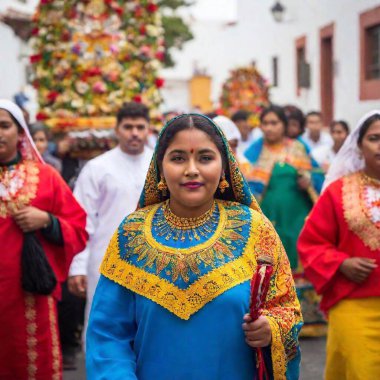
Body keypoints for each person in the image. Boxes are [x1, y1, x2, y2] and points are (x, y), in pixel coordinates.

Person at [86, 113, 302, 380]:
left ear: (224, 167)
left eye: (205, 158)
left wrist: (271, 329)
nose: (191, 169)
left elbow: (287, 309)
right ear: (159, 168)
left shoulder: (255, 229)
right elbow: (108, 334)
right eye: (178, 158)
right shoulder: (132, 233)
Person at [0, 99, 88, 379]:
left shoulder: (47, 177)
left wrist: (47, 221)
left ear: (20, 132)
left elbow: (78, 227)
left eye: (4, 126)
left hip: (30, 294)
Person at [297, 110, 380, 379]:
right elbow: (310, 243)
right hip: (354, 303)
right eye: (374, 138)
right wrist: (341, 262)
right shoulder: (337, 192)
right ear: (359, 145)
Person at [68, 102, 153, 339]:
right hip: (104, 258)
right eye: (128, 127)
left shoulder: (162, 165)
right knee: (104, 322)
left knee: (148, 325)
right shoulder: (97, 168)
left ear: (149, 129)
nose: (134, 133)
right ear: (117, 130)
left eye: (139, 127)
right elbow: (82, 219)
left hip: (154, 257)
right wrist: (77, 265)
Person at [244, 105, 325, 336]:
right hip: (268, 219)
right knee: (272, 262)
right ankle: (275, 321)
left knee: (299, 259)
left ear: (284, 125)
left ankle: (308, 322)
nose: (270, 128)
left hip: (296, 217)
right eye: (265, 123)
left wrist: (308, 180)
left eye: (274, 123)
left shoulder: (298, 148)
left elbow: (318, 176)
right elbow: (246, 186)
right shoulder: (254, 152)